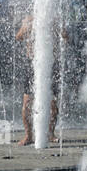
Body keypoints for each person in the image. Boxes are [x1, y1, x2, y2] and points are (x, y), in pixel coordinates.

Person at [16, 13, 66, 145]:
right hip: (32, 64)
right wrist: (28, 27)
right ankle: (29, 135)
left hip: (51, 64)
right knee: (27, 102)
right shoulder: (29, 20)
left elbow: (66, 37)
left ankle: (50, 134)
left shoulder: (54, 19)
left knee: (52, 102)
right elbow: (19, 37)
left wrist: (56, 28)